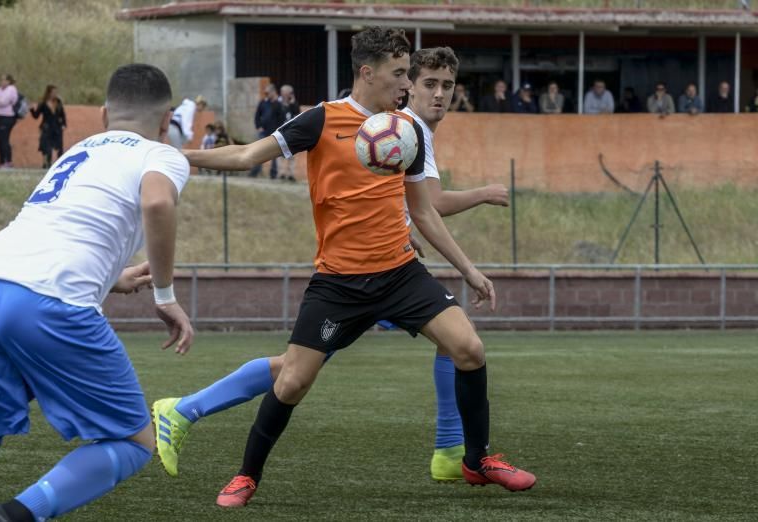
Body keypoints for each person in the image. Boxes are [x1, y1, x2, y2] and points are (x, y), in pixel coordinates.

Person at [166, 27, 537, 508]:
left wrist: (468, 270)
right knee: (293, 380)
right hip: (339, 283)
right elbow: (246, 154)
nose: (406, 85)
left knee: (468, 347)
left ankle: (476, 459)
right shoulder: (321, 120)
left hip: (400, 273)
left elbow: (424, 210)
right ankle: (246, 475)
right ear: (368, 72)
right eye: (400, 74)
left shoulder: (405, 131)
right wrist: (180, 157)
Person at [0, 63, 195, 522]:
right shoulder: (162, 154)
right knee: (132, 442)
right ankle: (15, 517)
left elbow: (61, 228)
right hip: (46, 301)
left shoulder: (79, 149)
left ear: (104, 114)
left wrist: (111, 277)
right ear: (167, 121)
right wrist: (164, 295)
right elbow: (157, 201)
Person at [248, 83, 283, 178]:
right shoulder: (263, 102)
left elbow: (281, 118)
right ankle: (255, 172)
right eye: (265, 93)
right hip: (263, 132)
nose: (266, 94)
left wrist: (279, 130)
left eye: (268, 92)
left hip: (275, 133)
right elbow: (257, 116)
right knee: (259, 152)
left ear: (273, 92)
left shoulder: (278, 104)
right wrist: (258, 126)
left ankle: (273, 174)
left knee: (274, 154)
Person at [29, 84, 67, 168]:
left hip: (57, 127)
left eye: (56, 92)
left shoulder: (58, 102)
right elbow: (36, 116)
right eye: (53, 92)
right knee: (46, 147)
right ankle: (47, 164)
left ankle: (60, 164)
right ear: (49, 93)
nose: (55, 94)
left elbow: (62, 114)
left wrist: (64, 124)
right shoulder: (43, 103)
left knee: (59, 147)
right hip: (46, 127)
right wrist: (31, 109)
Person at [278, 84, 300, 181]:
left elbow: (297, 114)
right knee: (279, 153)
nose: (284, 94)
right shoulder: (278, 103)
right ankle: (281, 173)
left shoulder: (293, 104)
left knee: (292, 153)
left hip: (291, 131)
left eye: (287, 92)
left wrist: (292, 102)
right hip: (280, 131)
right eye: (283, 92)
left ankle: (291, 174)